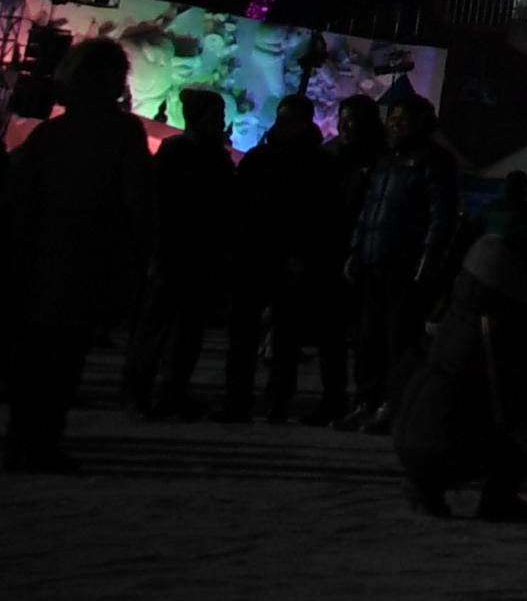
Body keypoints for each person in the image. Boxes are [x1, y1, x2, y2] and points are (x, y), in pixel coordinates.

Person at [3, 41, 159, 472]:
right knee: (62, 361)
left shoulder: (51, 134)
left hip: (37, 260)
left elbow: (20, 198)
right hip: (86, 261)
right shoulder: (122, 133)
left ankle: (22, 440)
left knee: (34, 359)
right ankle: (42, 444)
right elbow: (137, 201)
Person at [391, 230, 527, 520]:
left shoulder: (457, 311)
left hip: (408, 435)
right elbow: (513, 399)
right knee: (525, 411)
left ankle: (424, 484)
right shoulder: (500, 328)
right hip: (445, 444)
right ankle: (499, 498)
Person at [349, 90, 465, 436]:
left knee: (398, 340)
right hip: (374, 257)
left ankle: (394, 404)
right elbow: (369, 209)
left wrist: (429, 257)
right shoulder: (386, 160)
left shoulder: (434, 160)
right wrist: (357, 250)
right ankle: (366, 400)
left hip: (405, 263)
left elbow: (441, 215)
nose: (394, 126)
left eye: (401, 120)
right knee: (368, 336)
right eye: (392, 119)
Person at [236, 91, 348, 423]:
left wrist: (302, 252)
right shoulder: (263, 158)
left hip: (291, 258)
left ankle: (276, 400)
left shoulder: (317, 165)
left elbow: (321, 214)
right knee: (250, 333)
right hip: (259, 253)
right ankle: (241, 396)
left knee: (284, 336)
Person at [132, 87, 240, 418]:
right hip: (175, 250)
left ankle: (173, 389)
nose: (220, 122)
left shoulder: (216, 156)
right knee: (159, 325)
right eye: (216, 116)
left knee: (188, 329)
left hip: (201, 253)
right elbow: (160, 202)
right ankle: (141, 389)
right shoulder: (176, 152)